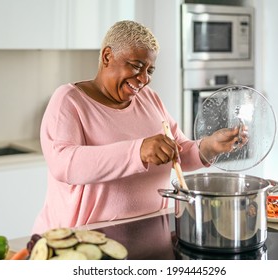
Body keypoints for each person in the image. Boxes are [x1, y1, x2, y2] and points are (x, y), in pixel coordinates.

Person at [32, 20, 247, 234]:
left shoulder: (149, 98)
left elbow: (178, 152)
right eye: (136, 66)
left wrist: (209, 146)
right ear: (108, 56)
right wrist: (138, 151)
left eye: (150, 70)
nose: (144, 79)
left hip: (152, 231)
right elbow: (64, 164)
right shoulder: (70, 100)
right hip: (83, 240)